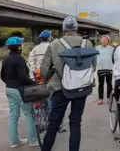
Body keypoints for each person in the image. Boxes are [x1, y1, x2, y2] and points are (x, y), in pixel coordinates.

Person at [40, 16, 96, 151]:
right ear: (76, 28)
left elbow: (44, 69)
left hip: (60, 88)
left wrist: (47, 80)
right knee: (76, 122)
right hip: (81, 88)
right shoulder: (87, 43)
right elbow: (93, 65)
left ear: (63, 29)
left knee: (54, 123)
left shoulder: (54, 44)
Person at [0, 36, 38, 148]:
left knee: (13, 116)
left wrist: (10, 82)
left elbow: (2, 76)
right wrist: (34, 84)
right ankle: (32, 140)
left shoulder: (5, 59)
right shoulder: (19, 59)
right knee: (30, 113)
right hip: (19, 90)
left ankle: (14, 141)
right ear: (18, 47)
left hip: (9, 89)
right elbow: (23, 77)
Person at [95, 35, 114, 105]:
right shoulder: (97, 48)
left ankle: (109, 98)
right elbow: (94, 58)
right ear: (100, 40)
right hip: (100, 68)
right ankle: (100, 98)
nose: (104, 41)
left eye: (106, 39)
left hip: (109, 68)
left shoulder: (111, 48)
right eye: (103, 39)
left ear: (108, 41)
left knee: (109, 84)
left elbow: (114, 57)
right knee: (100, 84)